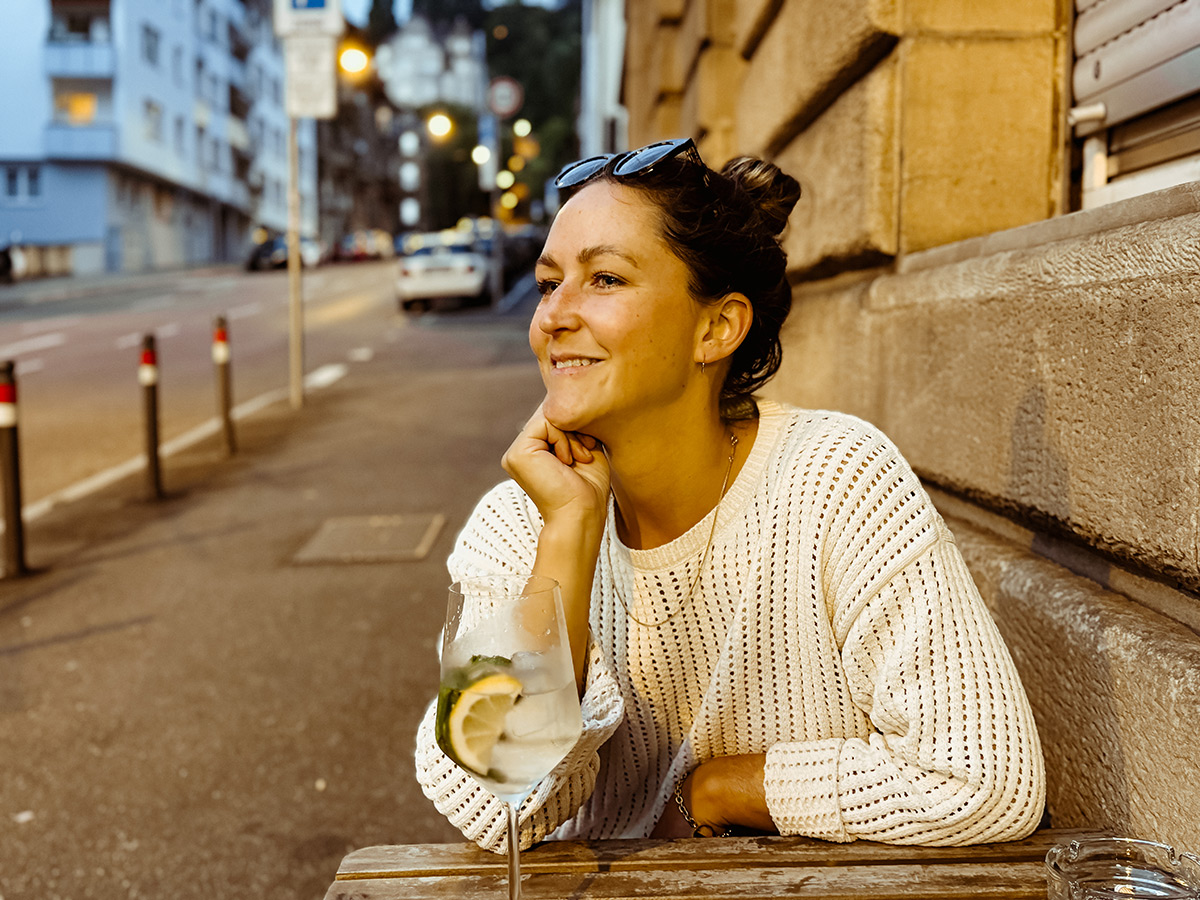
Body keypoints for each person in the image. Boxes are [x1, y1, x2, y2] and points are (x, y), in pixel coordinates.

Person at [415, 138, 1045, 850]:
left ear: (716, 327)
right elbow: (489, 801)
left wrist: (721, 789)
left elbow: (985, 782)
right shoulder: (517, 522)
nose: (553, 316)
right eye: (548, 282)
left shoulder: (835, 480)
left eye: (606, 281)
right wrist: (569, 531)